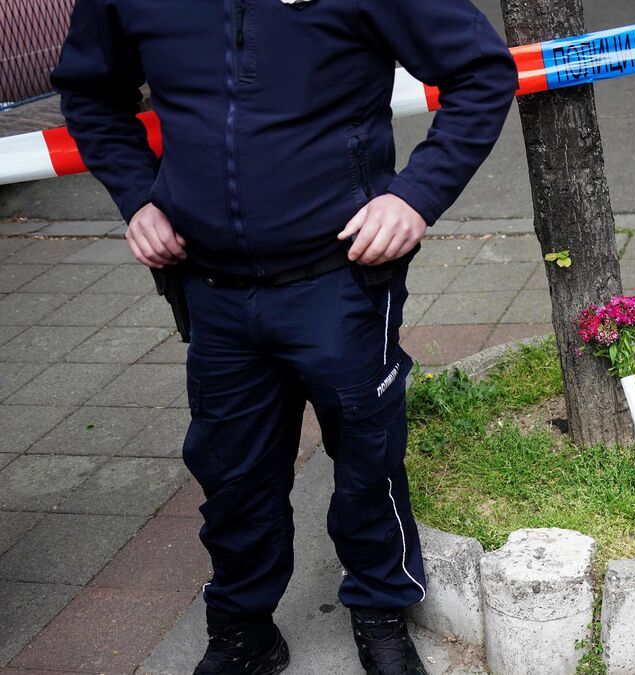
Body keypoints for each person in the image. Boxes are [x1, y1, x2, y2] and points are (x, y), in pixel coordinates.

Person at [51, 0, 517, 671]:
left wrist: (416, 194)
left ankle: (381, 606)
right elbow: (90, 92)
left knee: (366, 452)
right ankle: (243, 627)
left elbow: (480, 71)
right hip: (210, 286)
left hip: (342, 276)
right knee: (230, 467)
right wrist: (137, 194)